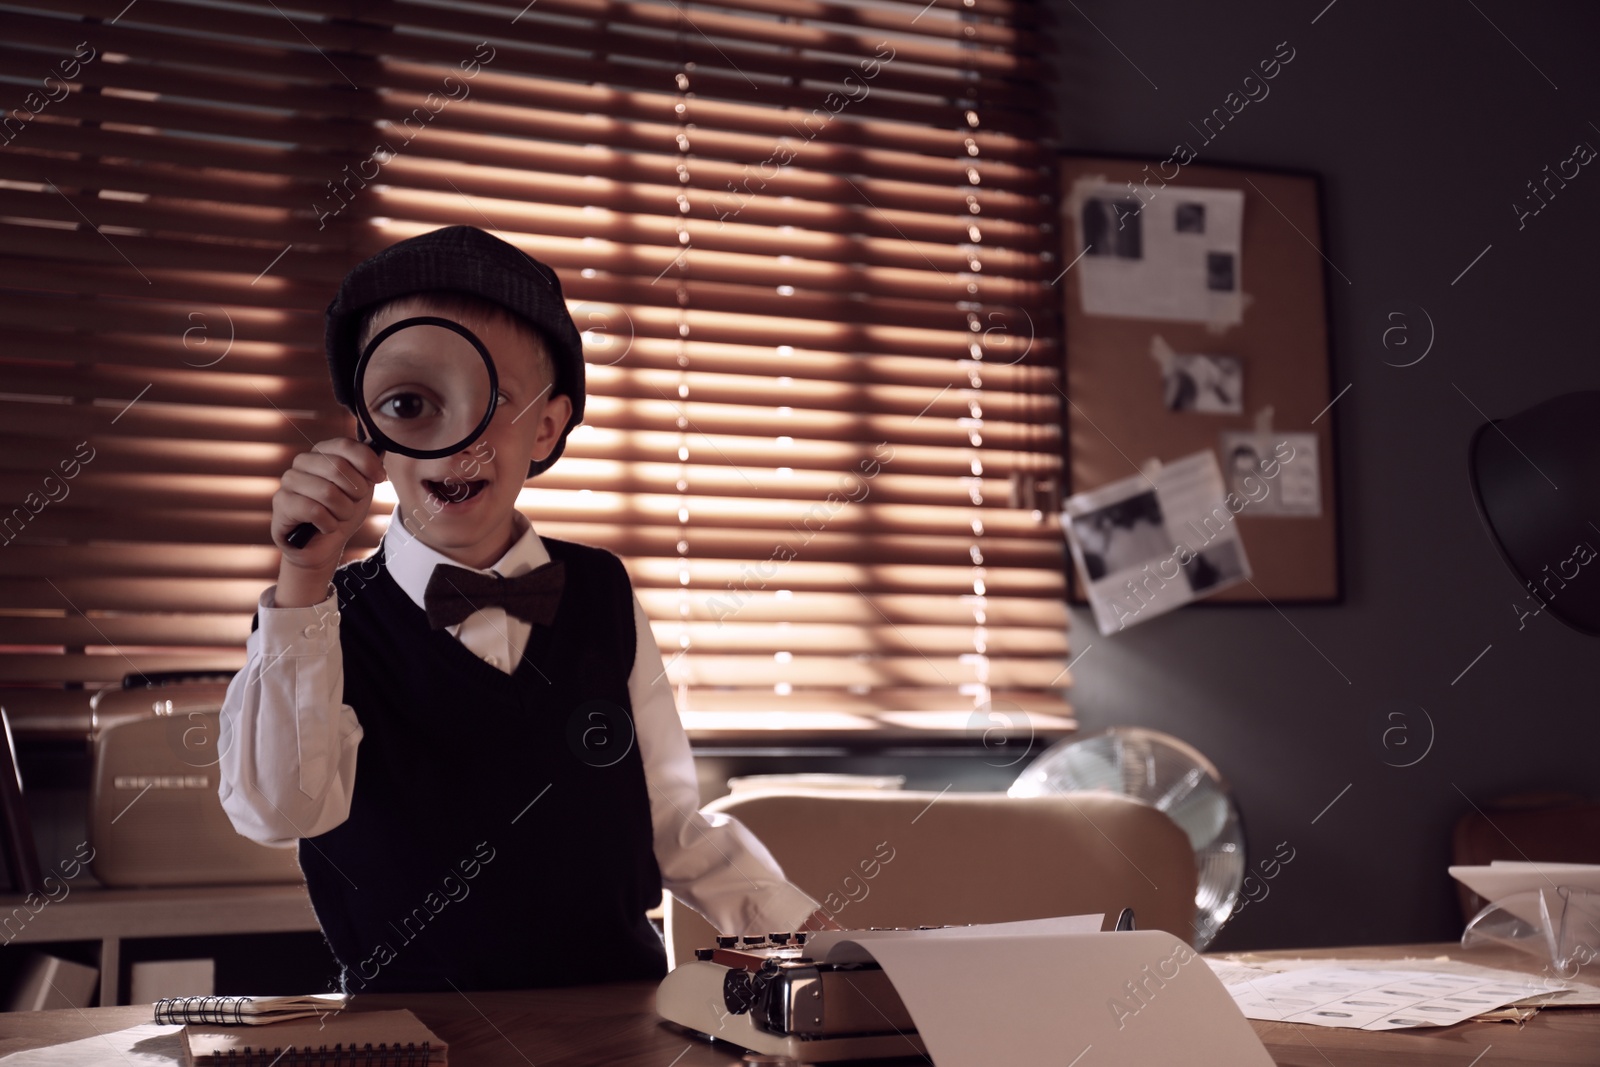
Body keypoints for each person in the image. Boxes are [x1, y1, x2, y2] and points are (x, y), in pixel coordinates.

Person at [218, 226, 832, 994]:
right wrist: (305, 575)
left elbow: (668, 817)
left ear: (546, 427)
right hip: (412, 1034)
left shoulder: (602, 587)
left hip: (620, 1013)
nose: (455, 440)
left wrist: (804, 939)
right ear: (370, 432)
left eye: (490, 401)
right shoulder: (315, 617)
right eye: (409, 403)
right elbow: (280, 810)